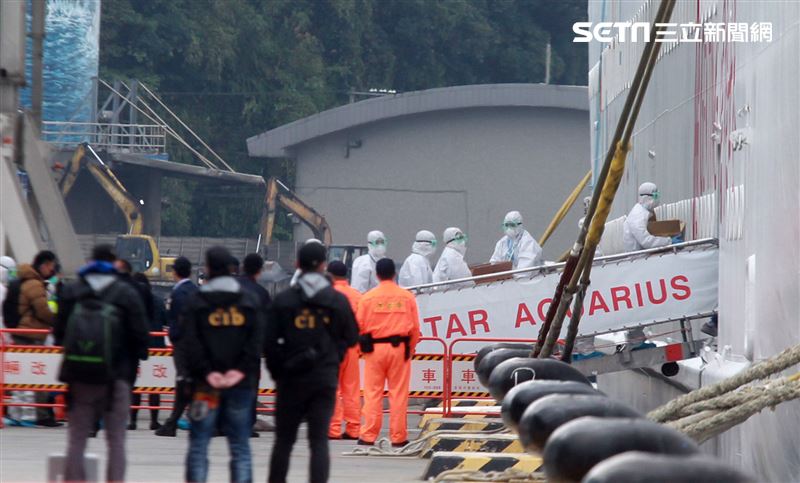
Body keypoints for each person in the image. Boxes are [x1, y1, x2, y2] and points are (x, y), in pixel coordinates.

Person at [55, 244, 149, 482]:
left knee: (77, 439)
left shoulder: (72, 290)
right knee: (116, 441)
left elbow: (59, 334)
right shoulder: (126, 292)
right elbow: (141, 338)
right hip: (117, 377)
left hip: (79, 378)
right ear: (113, 262)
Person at [265, 243, 358, 483]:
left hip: (290, 379)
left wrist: (279, 372)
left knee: (284, 442)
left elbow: (268, 342)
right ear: (323, 265)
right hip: (323, 380)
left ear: (297, 265)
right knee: (318, 443)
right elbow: (351, 337)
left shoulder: (284, 300)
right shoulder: (337, 301)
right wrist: (332, 359)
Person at [181, 247, 265, 483]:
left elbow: (190, 343)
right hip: (240, 385)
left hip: (204, 387)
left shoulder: (196, 301)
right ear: (231, 268)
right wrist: (239, 370)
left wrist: (207, 372)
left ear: (207, 268)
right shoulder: (248, 300)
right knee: (240, 447)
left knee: (199, 445)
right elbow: (256, 340)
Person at [357, 259, 420, 447]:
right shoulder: (407, 297)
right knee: (399, 394)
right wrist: (410, 349)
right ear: (394, 274)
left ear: (377, 275)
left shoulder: (367, 298)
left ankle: (368, 435)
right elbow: (415, 328)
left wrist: (363, 350)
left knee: (372, 393)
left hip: (374, 350)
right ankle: (398, 437)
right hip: (399, 349)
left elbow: (358, 327)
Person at [15, 250, 59, 426]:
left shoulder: (29, 281)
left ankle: (27, 413)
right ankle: (41, 414)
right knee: (38, 376)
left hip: (24, 332)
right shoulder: (34, 284)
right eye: (51, 266)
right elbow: (42, 310)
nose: (52, 270)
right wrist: (57, 321)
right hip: (32, 333)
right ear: (44, 265)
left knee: (25, 377)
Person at [156, 256, 198, 437]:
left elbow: (179, 320)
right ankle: (176, 422)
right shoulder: (195, 290)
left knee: (184, 382)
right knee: (188, 383)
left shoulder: (179, 293)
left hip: (183, 344)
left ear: (175, 272)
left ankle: (174, 423)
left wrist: (174, 337)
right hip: (195, 344)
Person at [326, 260, 362, 440]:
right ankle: (353, 428)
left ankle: (332, 429)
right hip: (352, 348)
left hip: (330, 348)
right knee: (352, 389)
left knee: (332, 388)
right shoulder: (357, 296)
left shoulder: (325, 295)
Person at [239, 253, 272, 435]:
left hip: (226, 349)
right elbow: (267, 324)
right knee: (251, 387)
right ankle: (248, 424)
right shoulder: (261, 293)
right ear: (259, 271)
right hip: (251, 351)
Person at [128, 272, 166, 431]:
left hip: (137, 346)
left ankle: (133, 421)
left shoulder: (132, 301)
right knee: (155, 387)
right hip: (157, 347)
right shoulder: (157, 300)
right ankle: (154, 420)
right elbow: (165, 320)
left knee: (136, 386)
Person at [622, 182, 672, 252]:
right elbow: (645, 241)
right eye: (655, 196)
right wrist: (669, 241)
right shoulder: (637, 215)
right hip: (637, 259)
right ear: (647, 197)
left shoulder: (644, 212)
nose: (657, 198)